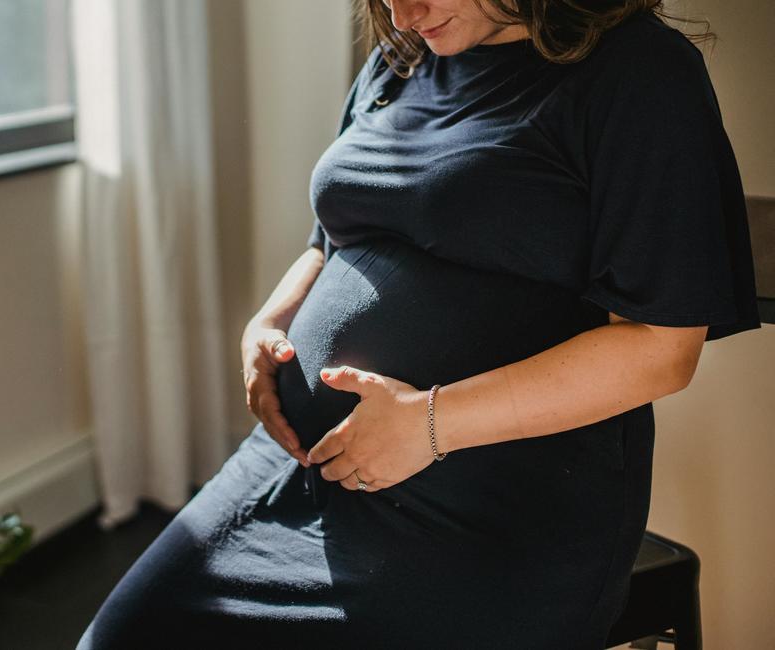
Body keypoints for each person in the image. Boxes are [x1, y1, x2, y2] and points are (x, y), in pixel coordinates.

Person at [77, 1, 761, 648]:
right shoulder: (400, 58)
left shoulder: (638, 69)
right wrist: (270, 320)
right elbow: (333, 240)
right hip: (298, 472)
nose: (402, 14)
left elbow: (661, 349)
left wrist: (427, 422)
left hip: (489, 508)